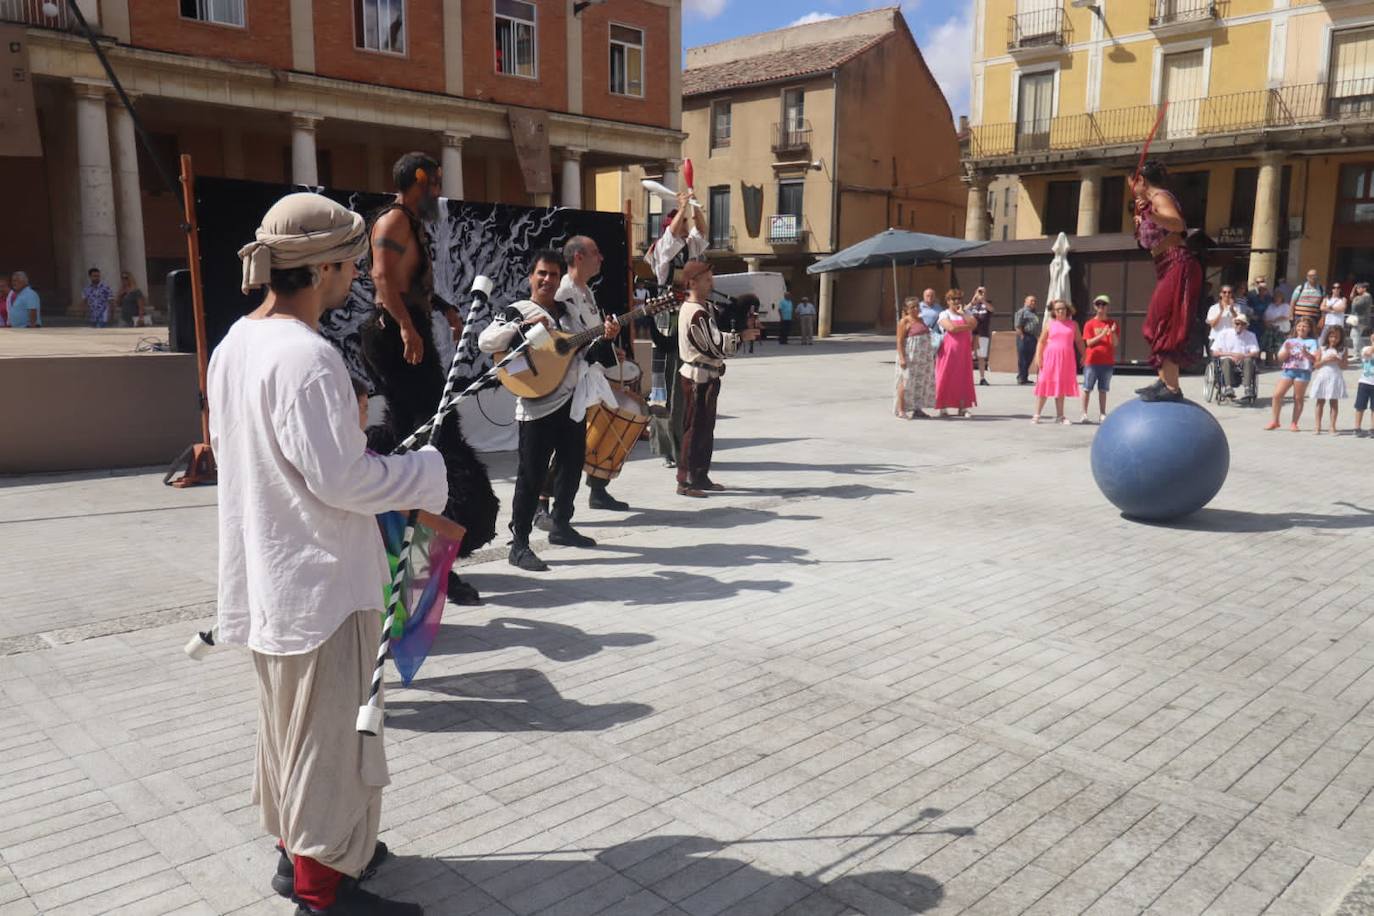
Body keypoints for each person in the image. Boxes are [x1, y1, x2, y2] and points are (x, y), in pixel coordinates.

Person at [211, 193, 445, 916]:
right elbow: (342, 480)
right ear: (318, 270)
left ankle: (301, 857)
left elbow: (243, 453)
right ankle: (320, 895)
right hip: (320, 586)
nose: (355, 276)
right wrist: (425, 472)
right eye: (347, 263)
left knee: (290, 730)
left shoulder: (235, 344)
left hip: (271, 576)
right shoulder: (307, 359)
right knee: (329, 744)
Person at [362, 152, 496, 605]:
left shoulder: (408, 223)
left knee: (421, 441)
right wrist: (405, 326)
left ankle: (420, 559)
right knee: (434, 444)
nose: (440, 190)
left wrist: (442, 308)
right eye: (437, 181)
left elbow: (408, 284)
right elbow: (382, 276)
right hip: (393, 343)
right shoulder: (393, 222)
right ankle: (430, 564)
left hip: (403, 337)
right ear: (421, 179)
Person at [478, 249, 619, 571]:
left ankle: (561, 526)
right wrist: (523, 326)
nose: (547, 279)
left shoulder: (570, 312)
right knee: (531, 475)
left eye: (554, 275)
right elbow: (486, 342)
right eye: (542, 273)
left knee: (571, 466)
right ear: (531, 276)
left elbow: (584, 350)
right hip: (537, 403)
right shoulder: (516, 310)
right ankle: (520, 543)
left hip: (572, 401)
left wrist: (607, 337)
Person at [554, 235, 630, 513]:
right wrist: (602, 342)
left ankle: (598, 490)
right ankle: (543, 506)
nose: (601, 257)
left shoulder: (587, 291)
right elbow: (569, 341)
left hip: (592, 372)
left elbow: (594, 339)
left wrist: (611, 348)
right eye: (595, 252)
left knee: (604, 428)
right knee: (565, 444)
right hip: (571, 378)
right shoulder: (563, 294)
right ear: (578, 257)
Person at [646, 188, 706, 468]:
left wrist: (695, 207)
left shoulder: (690, 247)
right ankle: (667, 448)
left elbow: (702, 232)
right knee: (665, 388)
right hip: (665, 323)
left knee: (685, 385)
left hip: (686, 322)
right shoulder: (663, 247)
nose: (686, 227)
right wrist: (682, 205)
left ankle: (684, 444)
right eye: (682, 222)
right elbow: (672, 232)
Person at [1132, 159, 1201, 402]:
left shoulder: (1160, 197)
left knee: (1161, 324)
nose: (1131, 187)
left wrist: (1150, 213)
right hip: (1165, 266)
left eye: (1133, 182)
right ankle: (1165, 380)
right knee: (1158, 323)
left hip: (1177, 262)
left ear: (1141, 180)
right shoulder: (1149, 204)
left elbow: (1177, 224)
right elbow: (1150, 242)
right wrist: (1142, 222)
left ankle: (1171, 387)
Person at [676, 260, 738, 497]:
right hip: (696, 377)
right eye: (706, 279)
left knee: (705, 428)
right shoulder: (694, 311)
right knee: (694, 429)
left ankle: (700, 475)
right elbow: (712, 347)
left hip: (706, 376)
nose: (711, 282)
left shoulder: (703, 308)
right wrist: (740, 337)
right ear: (692, 282)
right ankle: (685, 482)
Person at [1032, 299, 1084, 424]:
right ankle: (1037, 414)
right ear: (1054, 312)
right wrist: (1038, 356)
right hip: (1050, 358)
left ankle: (1060, 416)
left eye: (1063, 308)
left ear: (1067, 310)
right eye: (1058, 309)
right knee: (1045, 383)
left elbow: (1079, 341)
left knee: (1060, 386)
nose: (1061, 311)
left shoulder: (1073, 324)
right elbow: (1041, 341)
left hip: (1066, 359)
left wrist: (1085, 354)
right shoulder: (1049, 324)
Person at [1265, 315, 1319, 431]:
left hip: (1303, 372)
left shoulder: (1313, 342)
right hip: (1289, 370)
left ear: (1309, 329)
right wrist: (1287, 351)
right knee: (1277, 395)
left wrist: (1306, 353)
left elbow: (1315, 359)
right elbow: (1280, 358)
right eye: (1299, 326)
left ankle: (1294, 423)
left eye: (1304, 326)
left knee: (1298, 398)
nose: (1301, 328)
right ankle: (1275, 421)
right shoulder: (1289, 340)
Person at [934, 288, 977, 418]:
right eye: (954, 299)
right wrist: (967, 326)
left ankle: (962, 407)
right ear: (948, 301)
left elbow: (974, 324)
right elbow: (951, 328)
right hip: (948, 352)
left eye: (959, 299)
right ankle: (942, 407)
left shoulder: (966, 312)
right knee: (945, 377)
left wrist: (963, 314)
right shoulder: (944, 314)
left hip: (964, 351)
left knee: (963, 378)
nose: (957, 301)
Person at [894, 297, 935, 419]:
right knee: (905, 382)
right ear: (906, 309)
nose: (916, 309)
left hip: (923, 358)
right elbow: (899, 341)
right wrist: (902, 358)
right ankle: (901, 410)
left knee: (920, 383)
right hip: (910, 356)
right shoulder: (904, 321)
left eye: (917, 306)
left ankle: (918, 409)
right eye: (912, 307)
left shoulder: (921, 320)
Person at [1080, 295, 1118, 423]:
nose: (1101, 307)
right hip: (1092, 361)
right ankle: (1084, 414)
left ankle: (1102, 414)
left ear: (1108, 307)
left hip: (1107, 361)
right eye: (1098, 304)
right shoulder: (1089, 324)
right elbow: (1089, 343)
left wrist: (1112, 333)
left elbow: (1115, 343)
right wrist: (1102, 334)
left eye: (1104, 304)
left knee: (1103, 389)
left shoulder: (1112, 323)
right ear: (1095, 307)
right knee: (1087, 388)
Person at [1211, 312, 1261, 404]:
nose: (1240, 326)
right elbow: (1215, 352)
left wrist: (1243, 356)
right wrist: (1231, 354)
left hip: (1243, 359)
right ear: (1233, 323)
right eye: (1237, 323)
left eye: (1243, 324)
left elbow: (1256, 352)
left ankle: (1247, 388)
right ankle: (1228, 388)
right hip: (1227, 358)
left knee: (1249, 360)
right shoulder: (1224, 334)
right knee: (1226, 361)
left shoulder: (1250, 335)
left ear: (1246, 326)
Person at [1310, 325, 1349, 435]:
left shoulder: (1343, 350)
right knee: (1320, 402)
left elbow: (1345, 366)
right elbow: (1316, 365)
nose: (1333, 339)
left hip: (1335, 377)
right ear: (1327, 337)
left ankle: (1332, 426)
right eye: (1331, 336)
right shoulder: (1322, 348)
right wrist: (1325, 360)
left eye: (1336, 337)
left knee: (1334, 403)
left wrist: (1338, 360)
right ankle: (1317, 426)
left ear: (1341, 338)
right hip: (1323, 376)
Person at [968, 286, 994, 386]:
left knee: (981, 357)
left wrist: (983, 300)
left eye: (983, 292)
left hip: (983, 333)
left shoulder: (987, 303)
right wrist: (973, 301)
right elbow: (963, 311)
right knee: (969, 356)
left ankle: (982, 378)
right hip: (971, 334)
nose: (981, 294)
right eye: (979, 292)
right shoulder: (972, 304)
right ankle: (968, 378)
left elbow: (991, 309)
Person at [1261, 282, 1292, 366]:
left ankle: (1280, 362)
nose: (1276, 298)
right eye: (1275, 296)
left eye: (1278, 296)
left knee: (1279, 346)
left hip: (1281, 329)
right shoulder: (1271, 305)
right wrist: (1266, 322)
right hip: (1271, 328)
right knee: (1270, 345)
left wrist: (1272, 321)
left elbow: (1285, 316)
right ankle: (1270, 362)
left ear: (1282, 297)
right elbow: (1265, 316)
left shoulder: (1286, 306)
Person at [1205, 285, 1244, 353]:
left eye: (1229, 292)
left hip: (1231, 339)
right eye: (1224, 292)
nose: (1227, 294)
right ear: (1220, 294)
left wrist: (1232, 310)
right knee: (1216, 363)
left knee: (1228, 362)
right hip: (1216, 338)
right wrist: (1221, 312)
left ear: (1232, 294)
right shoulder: (1213, 308)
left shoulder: (1237, 307)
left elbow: (1240, 324)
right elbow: (1212, 325)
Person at [1013, 295, 1041, 385]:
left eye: (1034, 301)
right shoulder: (1022, 312)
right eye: (1031, 301)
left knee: (1029, 357)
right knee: (1023, 358)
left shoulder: (1034, 313)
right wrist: (1021, 336)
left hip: (1032, 337)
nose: (1033, 302)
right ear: (1025, 302)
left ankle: (1025, 377)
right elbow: (1017, 325)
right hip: (1024, 336)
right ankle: (1021, 377)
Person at [1290, 269, 1324, 334]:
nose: (1313, 277)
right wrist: (1291, 315)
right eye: (1310, 276)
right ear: (1307, 277)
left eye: (1314, 275)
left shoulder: (1321, 289)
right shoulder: (1300, 288)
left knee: (1311, 335)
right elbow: (1292, 302)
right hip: (1299, 316)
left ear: (1317, 277)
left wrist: (1322, 318)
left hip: (1313, 318)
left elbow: (1323, 304)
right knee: (1297, 334)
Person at [1354, 336, 1374, 437]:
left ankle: (1372, 428)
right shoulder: (1366, 348)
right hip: (1365, 382)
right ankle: (1357, 427)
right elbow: (1368, 354)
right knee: (1360, 406)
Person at [1350, 281, 1372, 356]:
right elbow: (1351, 298)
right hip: (1356, 320)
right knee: (1355, 336)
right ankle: (1363, 351)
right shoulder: (1359, 296)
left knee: (1355, 335)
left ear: (1364, 289)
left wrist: (1354, 300)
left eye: (1359, 288)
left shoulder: (1367, 296)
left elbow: (1357, 305)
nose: (1357, 289)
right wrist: (1353, 289)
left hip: (1361, 320)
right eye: (1357, 288)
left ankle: (1357, 354)